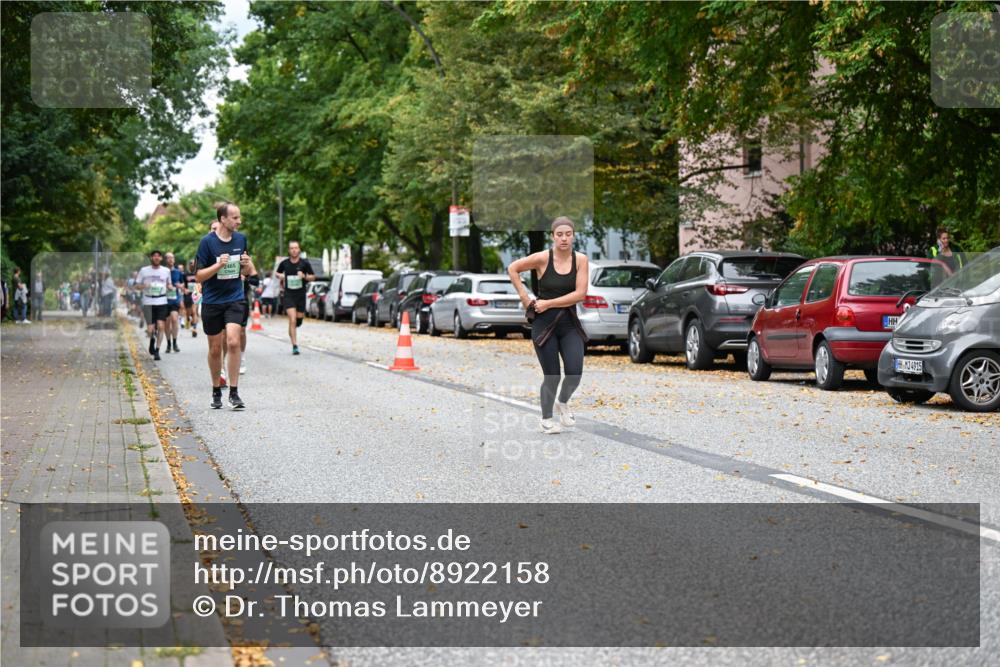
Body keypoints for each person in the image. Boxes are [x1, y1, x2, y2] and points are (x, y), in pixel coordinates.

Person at [507, 216, 589, 434]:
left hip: (569, 322)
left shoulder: (581, 260)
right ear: (553, 236)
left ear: (573, 236)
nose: (564, 238)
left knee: (575, 372)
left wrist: (549, 303)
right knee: (552, 375)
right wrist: (525, 298)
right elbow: (513, 268)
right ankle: (546, 419)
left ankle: (563, 402)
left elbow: (580, 294)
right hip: (544, 325)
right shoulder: (543, 258)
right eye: (559, 234)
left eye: (568, 234)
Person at [196, 203, 254, 410]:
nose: (239, 221)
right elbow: (199, 276)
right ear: (223, 219)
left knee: (233, 341)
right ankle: (215, 391)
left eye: (239, 217)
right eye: (235, 218)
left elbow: (246, 271)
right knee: (214, 348)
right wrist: (218, 265)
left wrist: (246, 265)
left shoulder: (241, 239)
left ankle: (234, 392)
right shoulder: (207, 243)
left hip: (235, 298)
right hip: (212, 301)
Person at [275, 240, 315, 355]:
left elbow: (313, 277)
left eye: (296, 248)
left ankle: (295, 324)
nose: (294, 250)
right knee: (292, 319)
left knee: (298, 320)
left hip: (300, 295)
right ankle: (295, 345)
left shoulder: (304, 263)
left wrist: (305, 276)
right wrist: (281, 276)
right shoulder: (285, 263)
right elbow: (277, 273)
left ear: (299, 250)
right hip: (289, 295)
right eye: (291, 248)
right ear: (289, 250)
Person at [135, 250, 173, 361]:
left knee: (161, 326)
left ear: (161, 258)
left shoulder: (166, 271)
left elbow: (168, 283)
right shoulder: (144, 271)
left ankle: (157, 350)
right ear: (151, 258)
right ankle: (152, 339)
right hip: (148, 301)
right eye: (154, 256)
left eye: (158, 256)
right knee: (151, 329)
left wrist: (170, 287)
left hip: (161, 301)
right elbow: (137, 285)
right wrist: (143, 286)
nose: (156, 258)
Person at [163, 252, 184, 353]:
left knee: (175, 319)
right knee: (167, 323)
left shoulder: (178, 272)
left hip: (175, 299)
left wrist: (180, 286)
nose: (171, 260)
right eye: (169, 258)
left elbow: (183, 284)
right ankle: (168, 344)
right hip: (164, 300)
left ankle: (175, 342)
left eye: (172, 258)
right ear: (166, 260)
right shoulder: (162, 271)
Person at [183, 258, 200, 335]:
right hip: (187, 295)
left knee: (194, 311)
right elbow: (182, 284)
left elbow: (201, 283)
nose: (192, 265)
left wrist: (199, 289)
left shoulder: (199, 273)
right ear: (189, 265)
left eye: (194, 263)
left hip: (196, 294)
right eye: (191, 263)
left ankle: (194, 328)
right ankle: (187, 320)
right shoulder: (185, 274)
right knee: (188, 312)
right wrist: (184, 289)